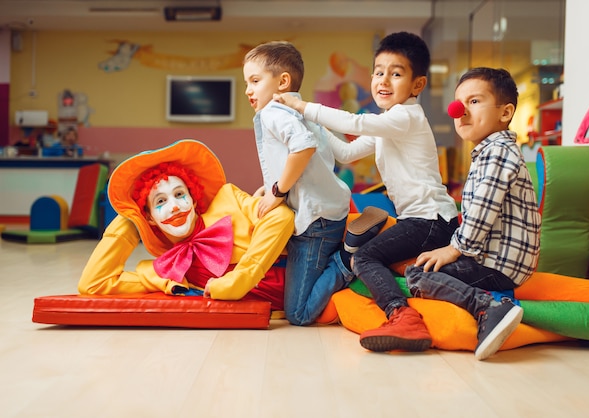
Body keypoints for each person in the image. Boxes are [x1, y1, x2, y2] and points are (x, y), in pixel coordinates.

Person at [276, 32, 459, 348]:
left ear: (418, 86)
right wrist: (310, 125)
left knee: (366, 259)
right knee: (375, 257)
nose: (383, 80)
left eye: (396, 73)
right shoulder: (391, 122)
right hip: (417, 221)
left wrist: (301, 106)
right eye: (379, 72)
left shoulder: (407, 116)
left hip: (431, 221)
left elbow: (355, 123)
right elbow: (345, 153)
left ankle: (401, 316)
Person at [243, 41, 384, 326]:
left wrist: (278, 191)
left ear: (283, 81)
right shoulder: (303, 112)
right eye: (246, 82)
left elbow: (303, 147)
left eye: (255, 81)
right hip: (329, 210)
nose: (248, 90)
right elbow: (331, 154)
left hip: (314, 221)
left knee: (298, 313)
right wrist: (269, 185)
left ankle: (350, 256)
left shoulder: (273, 112)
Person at [404, 67, 541, 360]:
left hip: (497, 264)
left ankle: (488, 307)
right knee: (427, 261)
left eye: (474, 102)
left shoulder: (498, 153)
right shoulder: (490, 152)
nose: (460, 111)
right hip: (496, 258)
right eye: (459, 103)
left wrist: (454, 249)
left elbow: (483, 209)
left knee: (417, 275)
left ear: (505, 113)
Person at [77, 139, 295, 311]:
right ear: (150, 217)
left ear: (193, 199)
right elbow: (93, 284)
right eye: (160, 201)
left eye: (179, 194)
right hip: (289, 314)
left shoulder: (229, 199)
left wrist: (239, 280)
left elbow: (280, 216)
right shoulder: (168, 269)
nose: (173, 207)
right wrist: (131, 221)